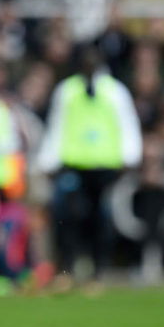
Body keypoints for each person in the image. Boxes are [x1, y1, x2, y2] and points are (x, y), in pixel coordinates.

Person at [37, 44, 142, 289]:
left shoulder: (115, 91)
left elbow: (127, 123)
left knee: (100, 220)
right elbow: (58, 124)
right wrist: (48, 160)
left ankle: (97, 273)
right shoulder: (68, 90)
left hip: (105, 167)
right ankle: (68, 270)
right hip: (74, 164)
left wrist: (130, 156)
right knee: (69, 218)